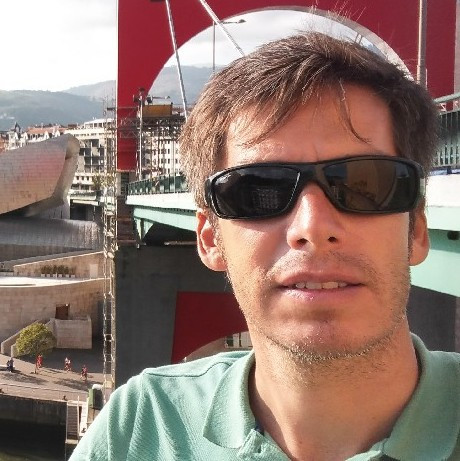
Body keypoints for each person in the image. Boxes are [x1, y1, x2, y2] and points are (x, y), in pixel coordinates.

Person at [70, 32, 460, 460]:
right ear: (209, 239)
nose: (312, 227)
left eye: (366, 184)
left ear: (416, 229)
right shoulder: (140, 424)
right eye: (257, 191)